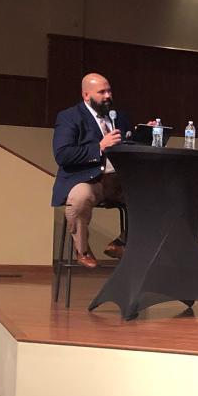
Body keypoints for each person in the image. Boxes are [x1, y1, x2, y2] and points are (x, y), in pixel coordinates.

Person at [51, 73, 132, 268]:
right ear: (86, 95)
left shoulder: (119, 117)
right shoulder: (70, 117)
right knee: (79, 198)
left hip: (119, 180)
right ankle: (82, 249)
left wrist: (147, 132)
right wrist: (99, 147)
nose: (107, 96)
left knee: (151, 194)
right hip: (89, 180)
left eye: (109, 91)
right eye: (102, 92)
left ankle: (123, 242)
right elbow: (62, 154)